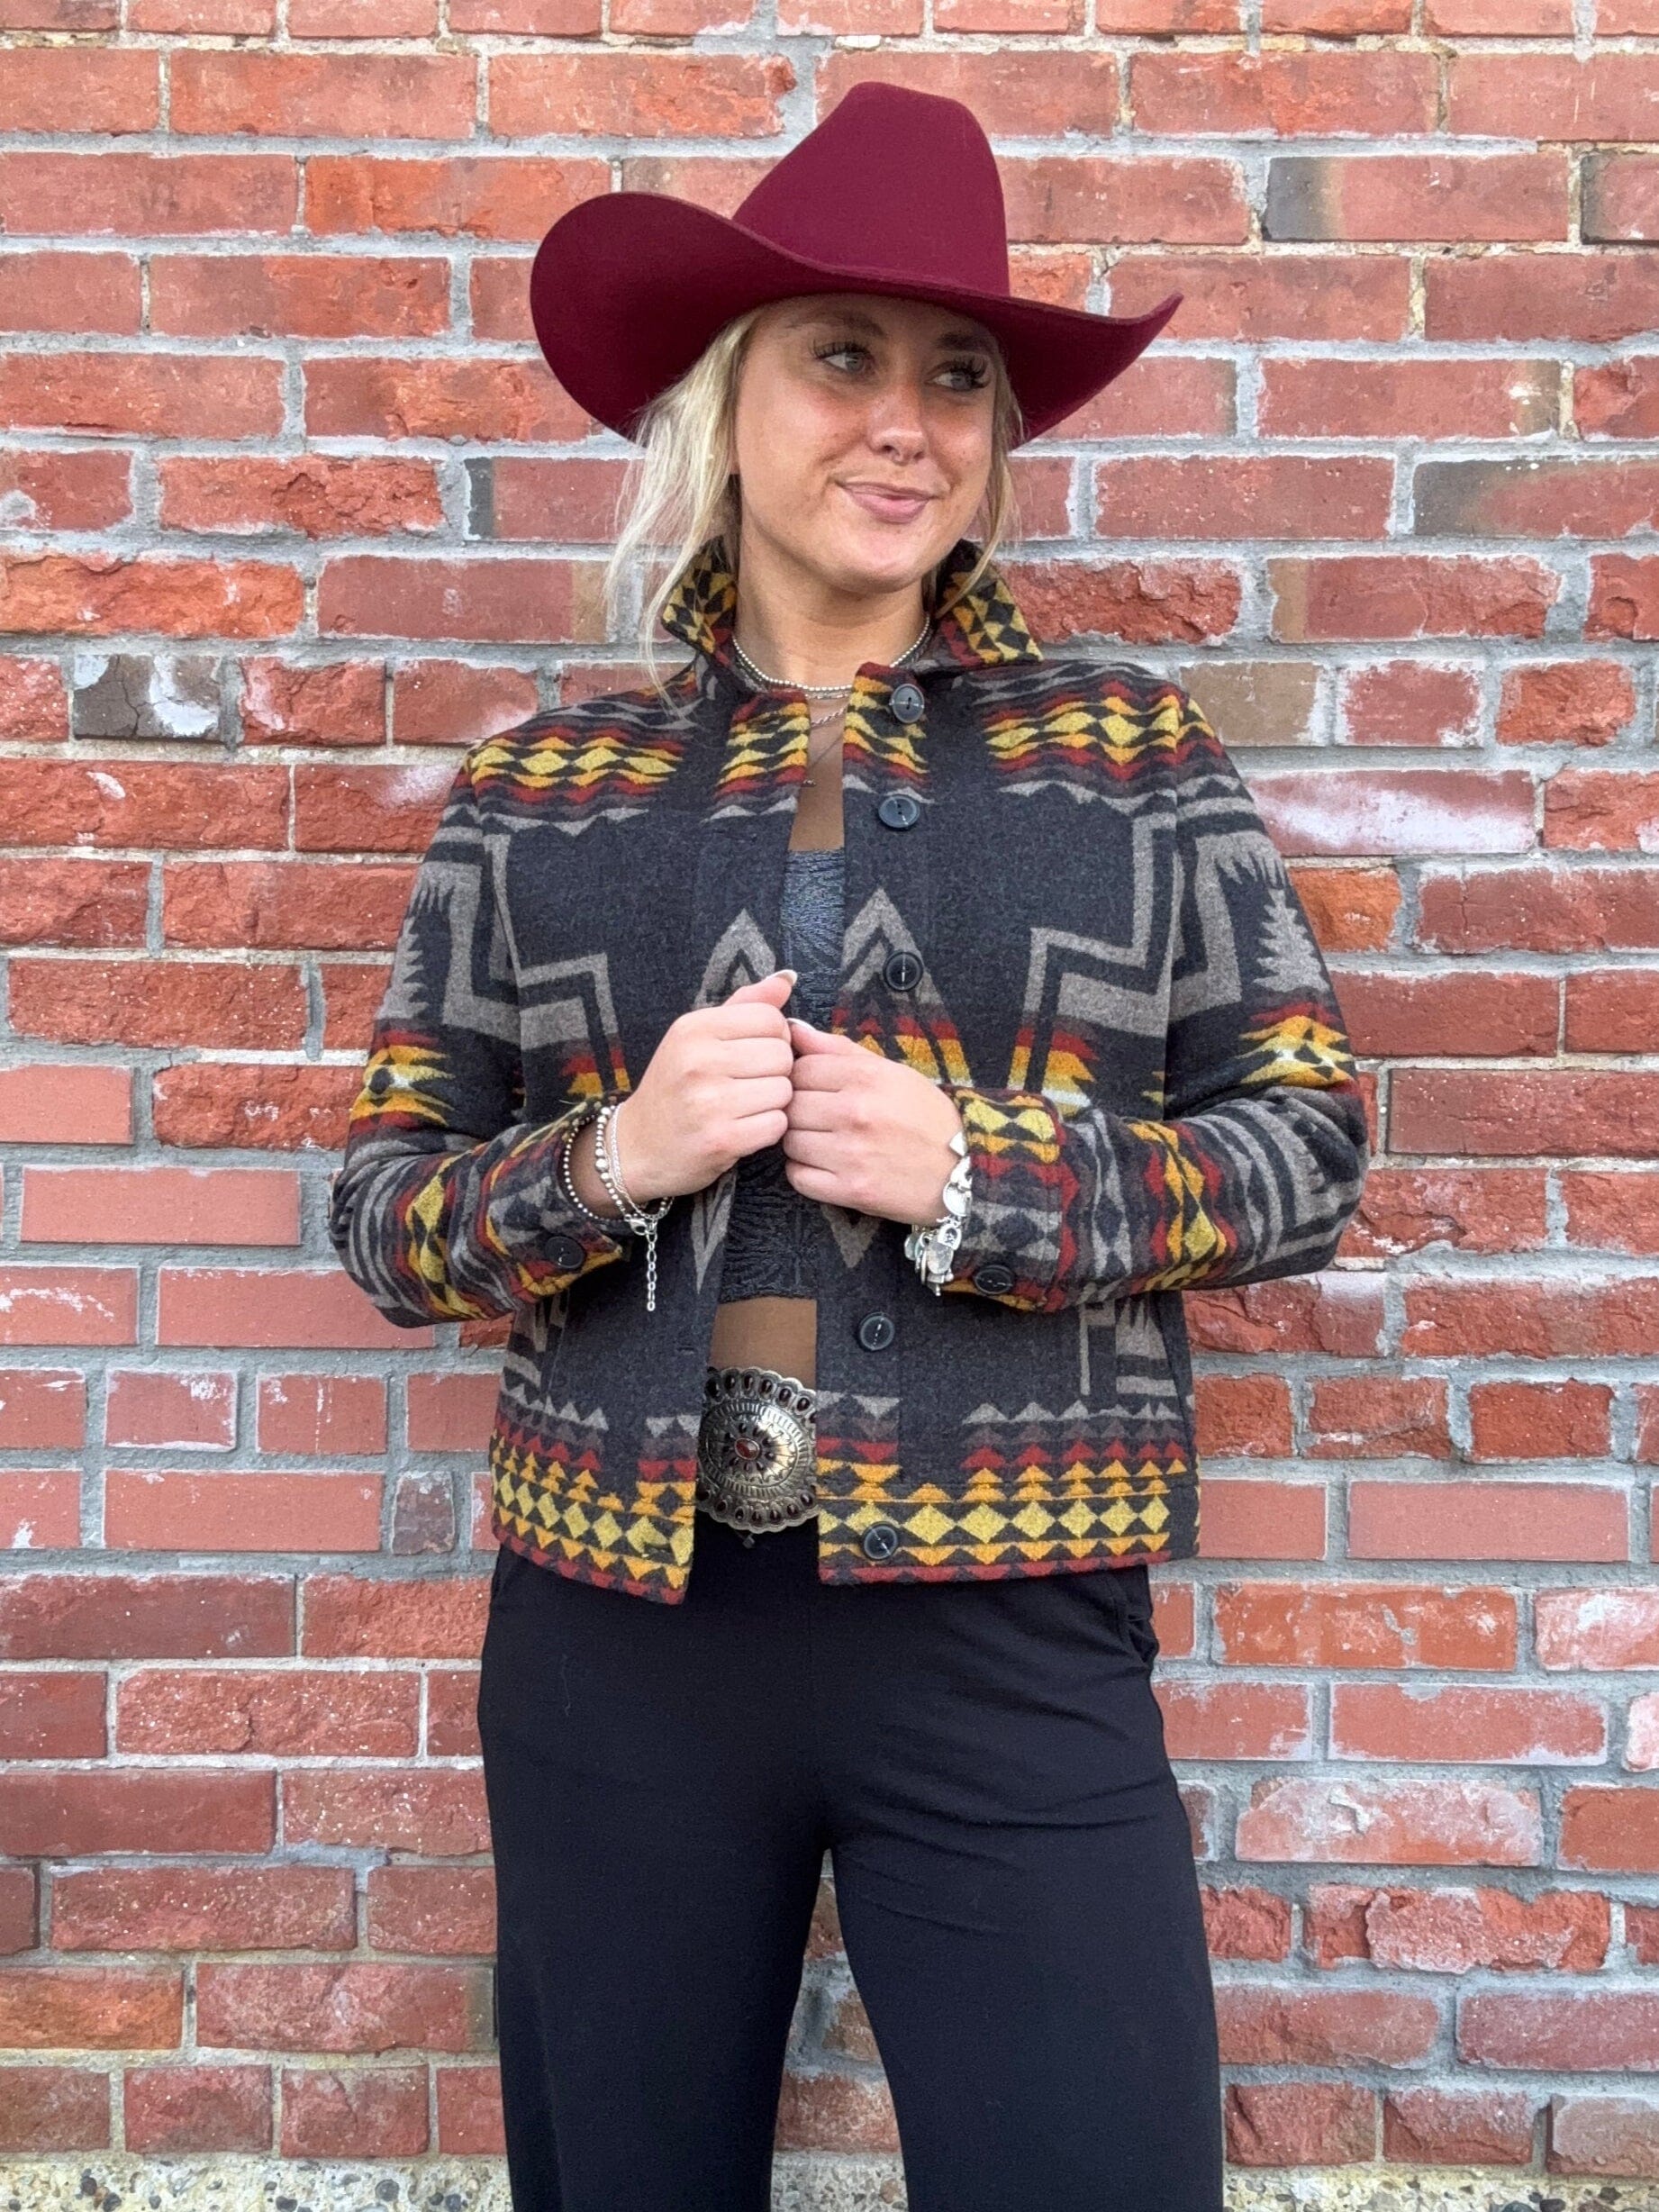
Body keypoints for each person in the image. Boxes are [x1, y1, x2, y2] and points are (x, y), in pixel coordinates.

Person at [327, 80, 1372, 2212]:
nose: (907, 423)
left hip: (1013, 1606)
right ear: (724, 402)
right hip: (621, 1634)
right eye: (843, 356)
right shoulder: (544, 789)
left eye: (959, 375)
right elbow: (381, 1212)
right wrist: (608, 1160)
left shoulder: (1125, 756)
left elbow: (1308, 1143)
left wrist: (992, 1177)